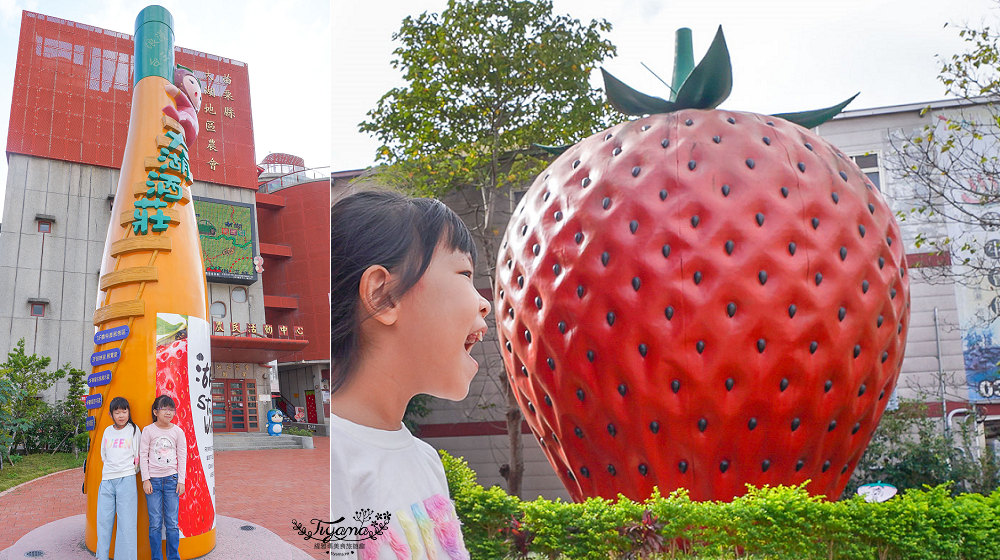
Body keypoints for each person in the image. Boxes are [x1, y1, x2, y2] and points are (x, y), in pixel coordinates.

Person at [331, 190, 490, 560]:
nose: (483, 301)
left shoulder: (426, 460)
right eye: (465, 274)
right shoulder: (335, 459)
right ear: (384, 296)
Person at [139, 395, 186, 560]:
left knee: (172, 524)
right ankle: (156, 557)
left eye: (171, 409)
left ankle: (173, 557)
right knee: (155, 524)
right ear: (155, 412)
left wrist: (181, 481)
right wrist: (145, 479)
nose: (169, 412)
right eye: (164, 408)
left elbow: (182, 456)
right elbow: (142, 455)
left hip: (172, 481)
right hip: (153, 482)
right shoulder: (148, 430)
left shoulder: (178, 431)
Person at [96, 396, 140, 560]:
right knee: (103, 521)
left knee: (127, 524)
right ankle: (102, 556)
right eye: (117, 412)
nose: (121, 415)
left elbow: (138, 456)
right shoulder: (107, 431)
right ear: (111, 414)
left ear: (129, 412)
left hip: (126, 479)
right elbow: (104, 455)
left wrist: (128, 471)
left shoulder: (134, 430)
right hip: (107, 480)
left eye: (124, 411)